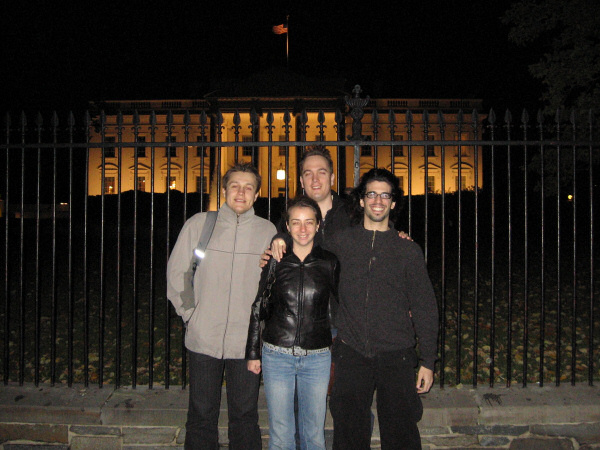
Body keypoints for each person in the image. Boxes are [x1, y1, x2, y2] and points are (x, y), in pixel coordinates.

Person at [167, 162, 277, 449]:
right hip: (204, 337)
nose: (241, 192)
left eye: (248, 187)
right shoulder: (199, 224)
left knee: (244, 415)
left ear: (256, 195)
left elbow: (275, 283)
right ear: (225, 190)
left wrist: (262, 326)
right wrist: (191, 315)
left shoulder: (267, 231)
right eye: (235, 186)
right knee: (202, 415)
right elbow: (178, 272)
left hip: (246, 342)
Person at [327, 168, 439, 450]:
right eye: (371, 194)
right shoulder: (341, 243)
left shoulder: (408, 251)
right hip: (351, 350)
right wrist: (277, 242)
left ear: (392, 202)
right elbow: (304, 246)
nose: (378, 200)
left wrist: (427, 360)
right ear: (362, 201)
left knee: (401, 432)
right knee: (348, 430)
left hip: (396, 354)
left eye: (385, 195)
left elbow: (425, 306)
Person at [246, 195, 339, 450]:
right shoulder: (275, 261)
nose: (302, 229)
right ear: (286, 226)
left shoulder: (329, 262)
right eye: (296, 222)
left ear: (318, 225)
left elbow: (344, 305)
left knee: (314, 434)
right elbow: (259, 305)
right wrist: (253, 353)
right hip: (277, 354)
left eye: (309, 222)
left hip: (317, 356)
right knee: (281, 434)